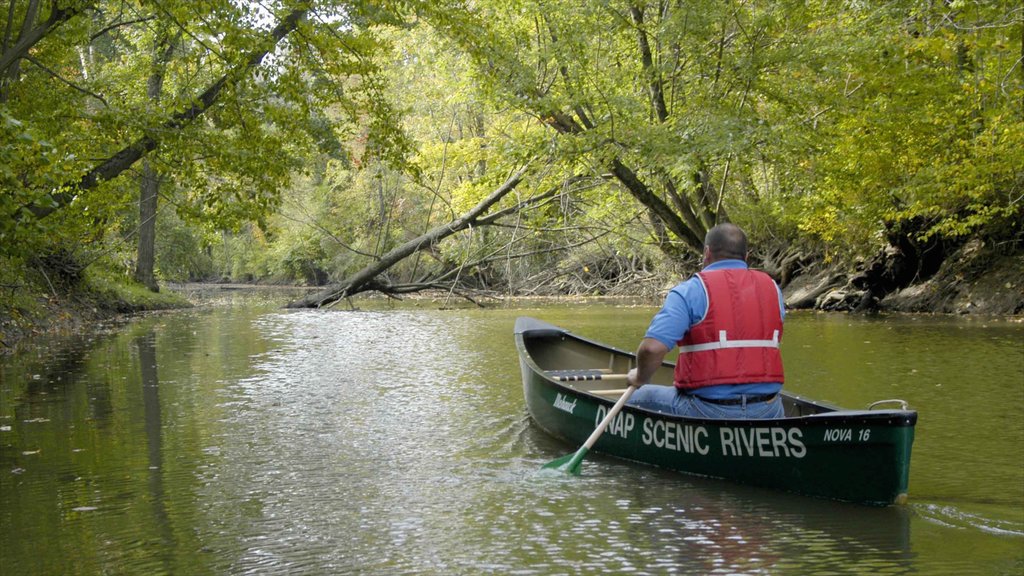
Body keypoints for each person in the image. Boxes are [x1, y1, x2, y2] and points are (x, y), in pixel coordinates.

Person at [626, 223, 785, 419]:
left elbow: (652, 349)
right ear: (746, 256)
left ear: (707, 253)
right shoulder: (772, 288)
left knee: (638, 396)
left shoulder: (690, 290)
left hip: (707, 410)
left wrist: (640, 377)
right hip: (769, 409)